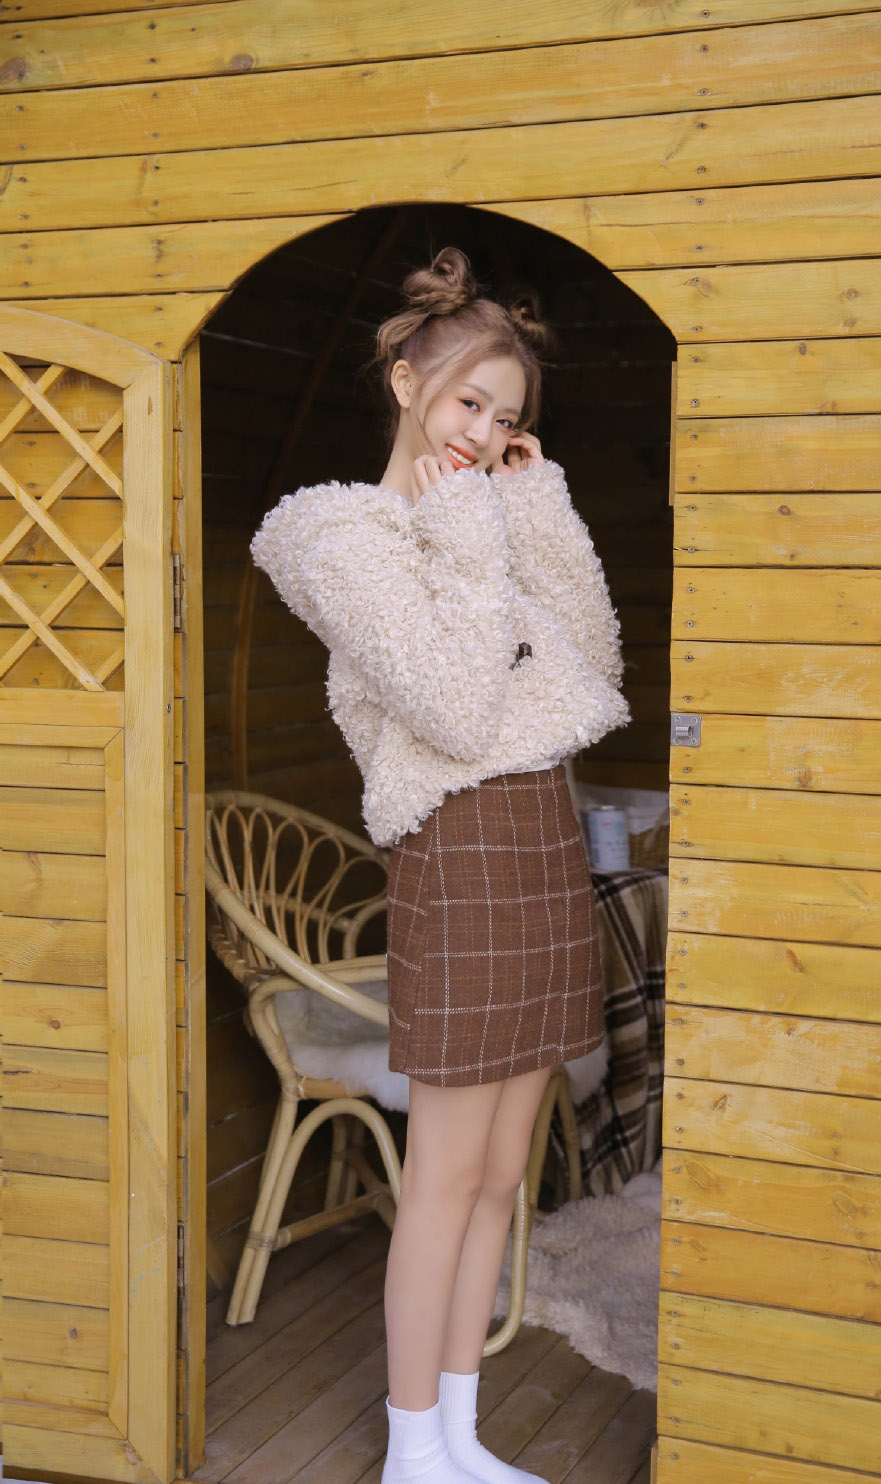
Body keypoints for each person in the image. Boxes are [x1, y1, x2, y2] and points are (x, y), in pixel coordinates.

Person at [250, 246, 630, 1483]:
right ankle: (412, 1449)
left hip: (541, 838)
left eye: (507, 417)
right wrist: (469, 525)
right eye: (470, 400)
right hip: (458, 850)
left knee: (503, 1169)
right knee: (448, 1171)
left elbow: (592, 667)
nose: (483, 432)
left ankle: (461, 1438)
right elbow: (460, 706)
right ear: (406, 379)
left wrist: (535, 503)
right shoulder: (336, 534)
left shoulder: (488, 519)